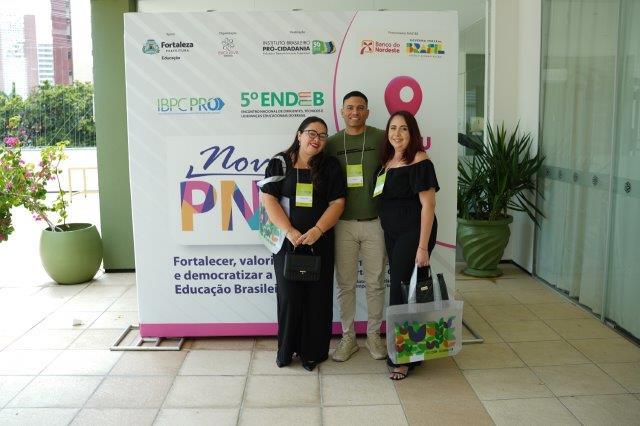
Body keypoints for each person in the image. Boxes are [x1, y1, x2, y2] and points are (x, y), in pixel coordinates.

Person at [260, 116, 346, 371]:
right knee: (289, 296)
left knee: (317, 298)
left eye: (322, 135)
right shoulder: (279, 162)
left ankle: (313, 353)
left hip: (320, 241)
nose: (316, 139)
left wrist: (317, 231)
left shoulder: (330, 166)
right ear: (299, 135)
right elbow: (268, 199)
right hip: (287, 242)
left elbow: (338, 203)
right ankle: (286, 350)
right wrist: (289, 231)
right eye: (311, 133)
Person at [325, 91, 388, 361]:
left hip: (375, 222)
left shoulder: (381, 138)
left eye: (360, 108)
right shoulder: (331, 143)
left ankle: (374, 335)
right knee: (346, 284)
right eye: (349, 107)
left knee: (375, 283)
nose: (355, 112)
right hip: (342, 224)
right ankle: (348, 337)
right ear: (342, 111)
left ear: (367, 112)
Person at [377, 110, 439, 380]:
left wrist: (422, 248)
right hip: (392, 234)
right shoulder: (387, 161)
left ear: (412, 133)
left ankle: (401, 359)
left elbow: (429, 205)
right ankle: (414, 351)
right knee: (407, 292)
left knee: (399, 295)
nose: (397, 133)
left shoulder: (420, 160)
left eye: (403, 128)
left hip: (413, 234)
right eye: (393, 128)